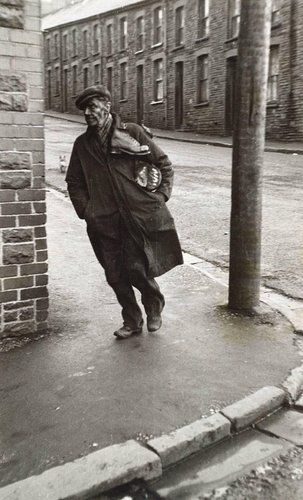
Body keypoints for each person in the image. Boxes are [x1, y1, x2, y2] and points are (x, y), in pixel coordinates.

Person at [66, 85, 183, 339]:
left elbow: (163, 164)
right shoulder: (82, 144)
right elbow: (74, 181)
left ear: (107, 106)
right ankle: (131, 319)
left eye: (92, 107)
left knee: (135, 268)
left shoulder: (132, 133)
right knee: (114, 274)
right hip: (102, 221)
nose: (87, 113)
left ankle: (153, 305)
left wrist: (161, 196)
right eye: (84, 109)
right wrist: (87, 210)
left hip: (135, 216)